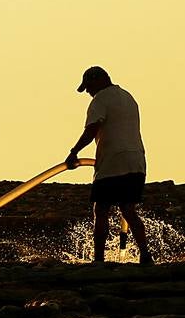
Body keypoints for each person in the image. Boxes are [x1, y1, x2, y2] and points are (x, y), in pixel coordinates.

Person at [64, 66, 153, 265]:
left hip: (113, 162)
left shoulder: (100, 99)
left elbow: (91, 129)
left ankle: (98, 260)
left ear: (98, 81)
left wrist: (73, 152)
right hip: (136, 160)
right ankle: (145, 255)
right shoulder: (128, 97)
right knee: (128, 210)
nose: (88, 92)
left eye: (88, 87)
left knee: (101, 209)